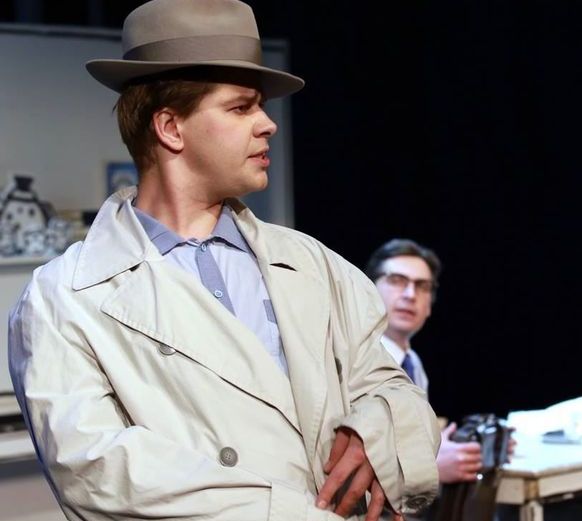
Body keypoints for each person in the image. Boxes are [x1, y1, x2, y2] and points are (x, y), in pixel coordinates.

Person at [7, 1, 440, 520]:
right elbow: (99, 471)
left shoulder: (313, 263)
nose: (268, 124)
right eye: (241, 108)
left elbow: (388, 382)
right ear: (170, 127)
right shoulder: (65, 296)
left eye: (261, 107)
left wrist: (378, 430)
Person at [365, 239, 484, 487]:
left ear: (430, 305)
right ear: (369, 289)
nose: (410, 295)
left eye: (422, 286)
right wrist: (431, 467)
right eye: (397, 280)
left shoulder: (413, 363)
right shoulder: (356, 360)